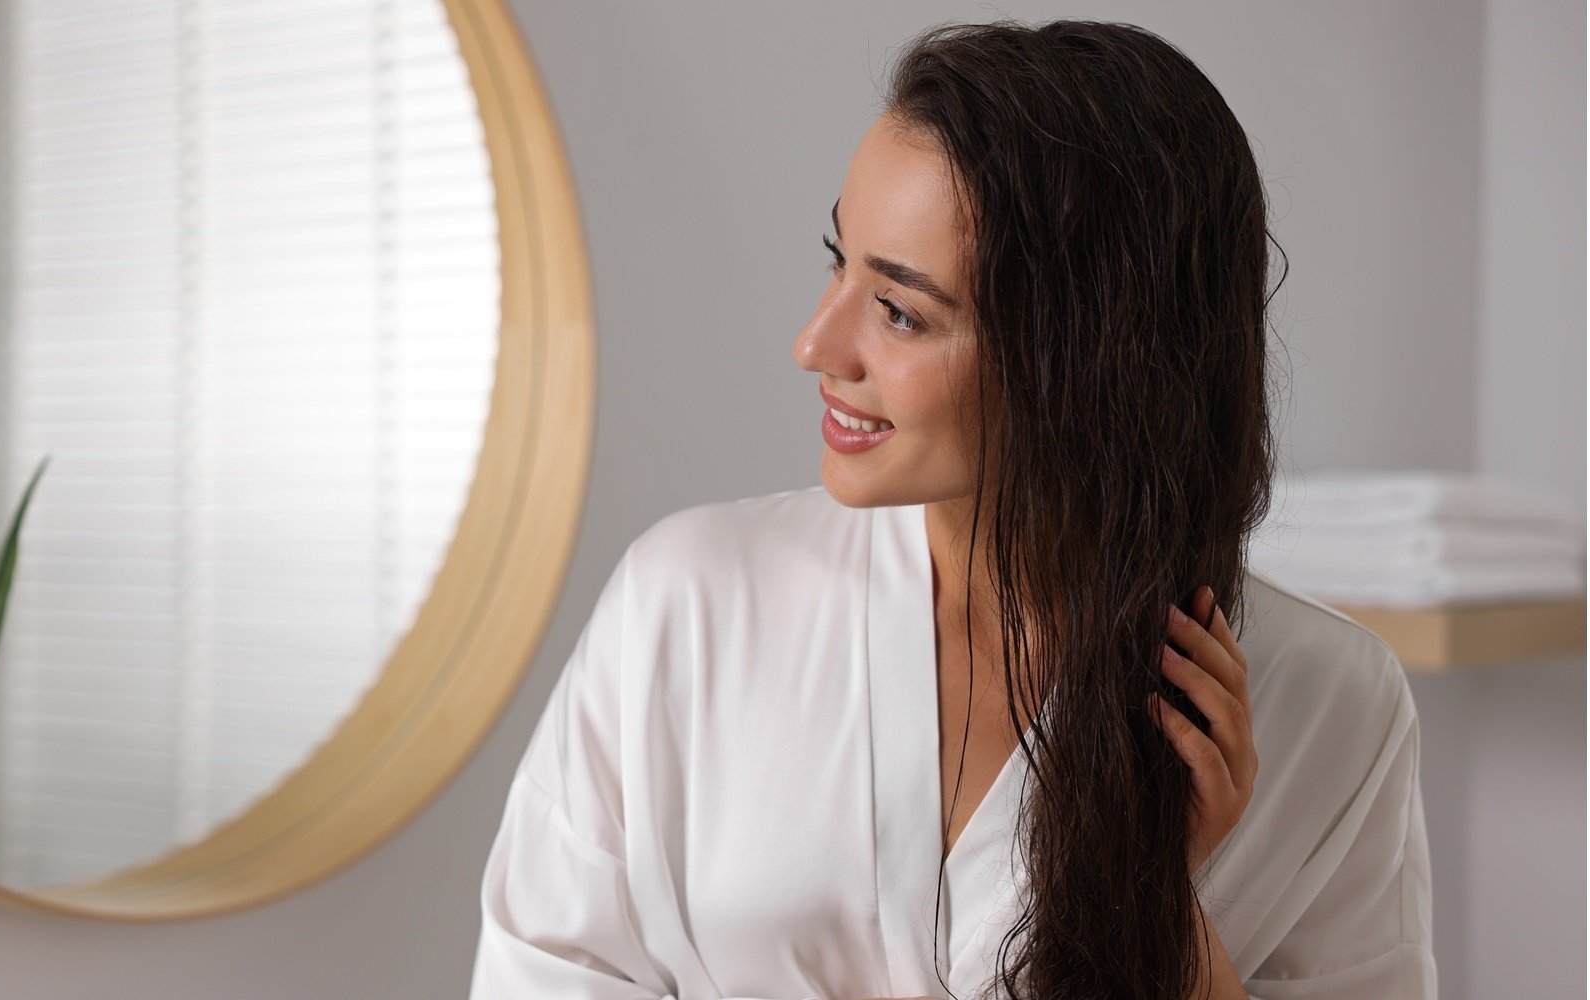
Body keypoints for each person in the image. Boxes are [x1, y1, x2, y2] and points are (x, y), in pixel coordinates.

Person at [468, 18, 1435, 1000]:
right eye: (838, 260)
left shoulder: (1329, 708)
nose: (816, 343)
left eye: (900, 312)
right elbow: (542, 970)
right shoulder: (691, 604)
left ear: (1082, 366)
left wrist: (1160, 907)